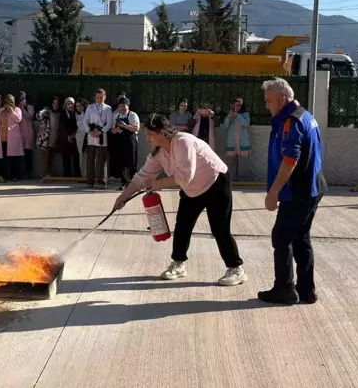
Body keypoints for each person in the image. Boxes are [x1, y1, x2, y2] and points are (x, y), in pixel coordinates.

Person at [113, 114, 246, 286]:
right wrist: (123, 197)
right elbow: (142, 178)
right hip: (191, 190)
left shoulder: (183, 142)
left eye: (150, 134)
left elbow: (186, 176)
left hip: (216, 183)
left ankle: (236, 269)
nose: (147, 138)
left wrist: (158, 183)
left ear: (161, 132)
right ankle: (178, 264)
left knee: (220, 229)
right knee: (182, 225)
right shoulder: (157, 153)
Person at [259, 78, 326, 305]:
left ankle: (284, 289)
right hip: (312, 187)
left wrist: (273, 192)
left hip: (298, 190)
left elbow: (290, 159)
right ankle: (307, 290)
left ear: (282, 99)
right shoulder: (304, 115)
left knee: (282, 236)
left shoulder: (291, 121)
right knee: (300, 238)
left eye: (268, 101)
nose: (266, 105)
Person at [109, 97, 140, 190]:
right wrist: (115, 130)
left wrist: (125, 126)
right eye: (120, 106)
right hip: (119, 142)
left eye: (124, 106)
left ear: (128, 106)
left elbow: (136, 128)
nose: (122, 108)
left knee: (131, 162)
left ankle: (133, 183)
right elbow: (111, 130)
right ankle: (124, 182)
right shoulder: (116, 116)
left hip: (130, 141)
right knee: (121, 162)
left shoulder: (133, 115)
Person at [84, 88, 113, 189]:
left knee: (102, 159)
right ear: (95, 97)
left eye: (101, 97)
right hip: (91, 134)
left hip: (102, 134)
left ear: (104, 97)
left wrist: (101, 131)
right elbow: (85, 121)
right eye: (97, 97)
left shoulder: (108, 108)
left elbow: (109, 123)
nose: (99, 99)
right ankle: (90, 181)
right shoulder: (90, 107)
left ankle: (102, 181)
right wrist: (89, 131)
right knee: (90, 158)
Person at [0, 94, 24, 181]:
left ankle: (15, 176)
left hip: (13, 139)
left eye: (10, 102)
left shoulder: (17, 110)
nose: (8, 103)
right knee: (4, 159)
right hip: (2, 138)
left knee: (14, 158)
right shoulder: (1, 111)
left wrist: (11, 111)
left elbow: (18, 119)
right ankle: (5, 176)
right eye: (7, 102)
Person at [223, 97, 251, 180]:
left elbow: (246, 124)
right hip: (232, 142)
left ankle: (242, 179)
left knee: (243, 162)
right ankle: (230, 178)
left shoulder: (245, 114)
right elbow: (225, 126)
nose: (237, 107)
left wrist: (238, 116)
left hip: (243, 143)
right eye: (235, 105)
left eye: (239, 105)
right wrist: (228, 116)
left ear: (242, 106)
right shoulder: (230, 115)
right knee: (231, 161)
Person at [36, 96, 63, 177]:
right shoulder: (48, 111)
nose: (55, 105)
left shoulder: (60, 114)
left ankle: (48, 174)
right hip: (46, 139)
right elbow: (38, 115)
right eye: (54, 103)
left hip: (54, 139)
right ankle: (44, 175)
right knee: (45, 158)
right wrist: (42, 124)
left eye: (57, 103)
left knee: (50, 158)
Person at [62, 97, 82, 177]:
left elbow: (80, 126)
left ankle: (77, 176)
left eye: (72, 104)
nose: (70, 105)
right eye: (68, 104)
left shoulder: (77, 114)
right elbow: (62, 127)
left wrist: (74, 135)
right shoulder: (63, 114)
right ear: (66, 105)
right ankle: (67, 176)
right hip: (65, 140)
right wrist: (68, 136)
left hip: (76, 139)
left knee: (76, 158)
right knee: (66, 158)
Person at [18, 91, 35, 177]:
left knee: (28, 154)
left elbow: (30, 116)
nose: (22, 101)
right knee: (21, 155)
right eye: (21, 100)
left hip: (28, 135)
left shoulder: (30, 107)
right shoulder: (16, 109)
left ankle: (29, 172)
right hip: (20, 135)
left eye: (23, 99)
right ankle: (21, 173)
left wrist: (23, 109)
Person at [74, 98, 89, 178]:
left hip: (87, 136)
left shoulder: (88, 114)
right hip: (79, 137)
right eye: (77, 106)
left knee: (88, 156)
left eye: (81, 106)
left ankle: (88, 175)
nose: (79, 108)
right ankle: (83, 175)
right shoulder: (76, 115)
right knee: (81, 156)